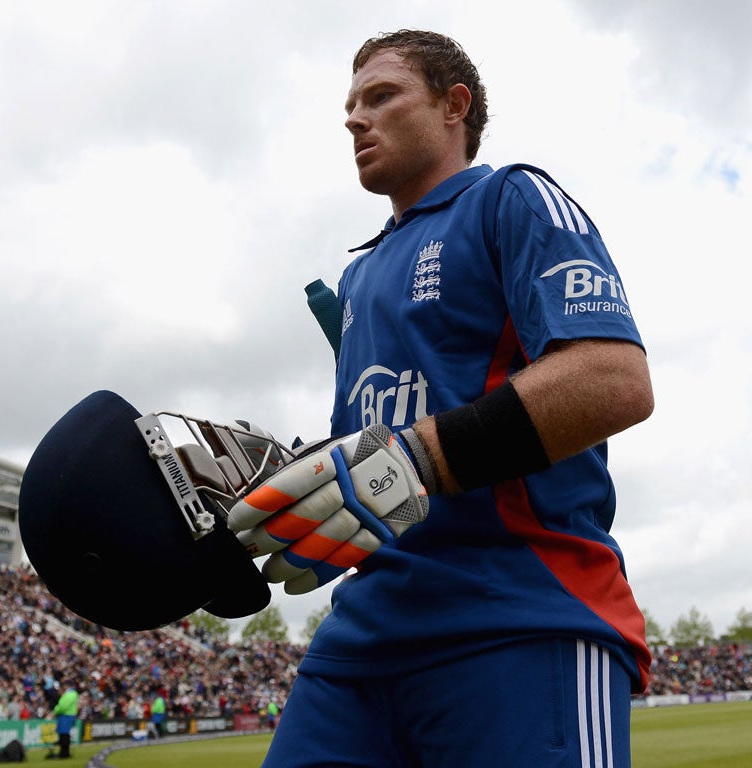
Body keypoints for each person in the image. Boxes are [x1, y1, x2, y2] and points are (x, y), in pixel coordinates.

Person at [238, 29, 654, 768]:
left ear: (453, 105)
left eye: (381, 96)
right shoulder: (359, 276)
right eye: (349, 105)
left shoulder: (512, 197)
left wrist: (418, 460)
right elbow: (370, 459)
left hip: (523, 616)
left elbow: (612, 380)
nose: (354, 119)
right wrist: (264, 511)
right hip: (363, 638)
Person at [49, 680, 78, 759]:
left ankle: (64, 753)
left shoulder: (69, 694)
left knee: (64, 735)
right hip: (68, 715)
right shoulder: (72, 694)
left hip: (65, 716)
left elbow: (62, 706)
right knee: (65, 735)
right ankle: (65, 752)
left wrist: (55, 711)